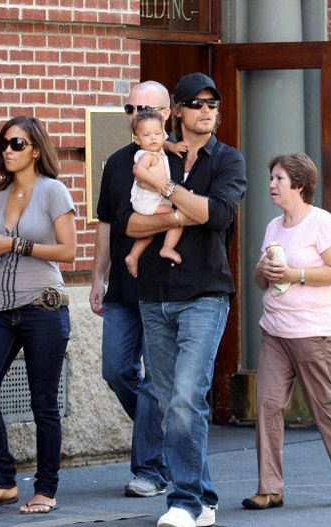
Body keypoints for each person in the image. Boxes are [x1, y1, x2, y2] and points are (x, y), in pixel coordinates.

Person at [118, 72, 246, 527]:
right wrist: (183, 211)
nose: (206, 110)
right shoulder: (146, 153)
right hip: (153, 294)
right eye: (196, 103)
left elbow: (219, 214)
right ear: (177, 111)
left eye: (213, 103)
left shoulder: (228, 160)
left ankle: (185, 501)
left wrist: (167, 193)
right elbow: (128, 226)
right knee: (172, 401)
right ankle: (203, 496)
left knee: (186, 399)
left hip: (205, 294)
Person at [242, 153, 331, 510]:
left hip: (315, 332)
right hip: (276, 331)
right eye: (271, 178)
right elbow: (260, 281)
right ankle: (269, 488)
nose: (271, 184)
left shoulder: (322, 224)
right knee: (267, 405)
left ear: (299, 184)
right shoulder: (273, 227)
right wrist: (262, 268)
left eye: (279, 179)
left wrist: (294, 274)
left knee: (323, 406)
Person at [0, 116, 76, 514]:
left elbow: (68, 252)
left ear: (35, 149)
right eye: (4, 144)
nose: (8, 151)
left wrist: (14, 244)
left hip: (44, 307)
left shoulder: (53, 191)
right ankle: (5, 480)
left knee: (43, 403)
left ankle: (46, 489)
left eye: (17, 143)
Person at [90, 81, 181, 498]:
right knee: (115, 370)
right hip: (123, 287)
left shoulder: (180, 158)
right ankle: (158, 442)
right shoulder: (117, 161)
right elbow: (107, 222)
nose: (133, 112)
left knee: (154, 383)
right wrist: (96, 275)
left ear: (166, 114)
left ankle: (149, 469)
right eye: (129, 107)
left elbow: (187, 214)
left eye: (142, 106)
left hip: (163, 287)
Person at [125, 110, 184, 277]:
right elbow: (138, 170)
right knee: (176, 217)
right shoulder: (147, 155)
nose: (153, 138)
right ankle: (167, 248)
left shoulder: (157, 149)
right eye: (147, 135)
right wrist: (157, 182)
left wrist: (172, 146)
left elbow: (162, 144)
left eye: (158, 133)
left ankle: (133, 256)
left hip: (152, 200)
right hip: (147, 201)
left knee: (148, 233)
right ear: (137, 139)